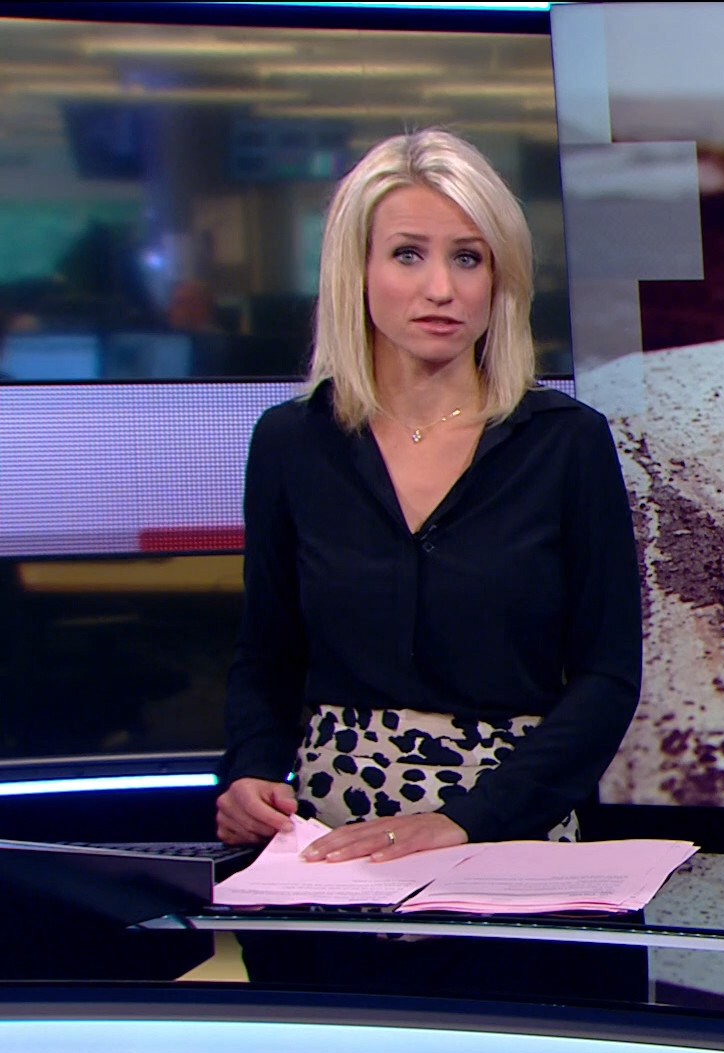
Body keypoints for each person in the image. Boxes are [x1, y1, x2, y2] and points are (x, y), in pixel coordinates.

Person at [213, 130, 641, 994]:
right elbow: (268, 653)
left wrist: (465, 820)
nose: (441, 288)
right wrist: (249, 770)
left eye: (468, 258)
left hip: (512, 831)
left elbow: (606, 677)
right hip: (328, 850)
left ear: (500, 279)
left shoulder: (566, 444)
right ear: (357, 270)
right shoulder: (291, 443)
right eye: (408, 254)